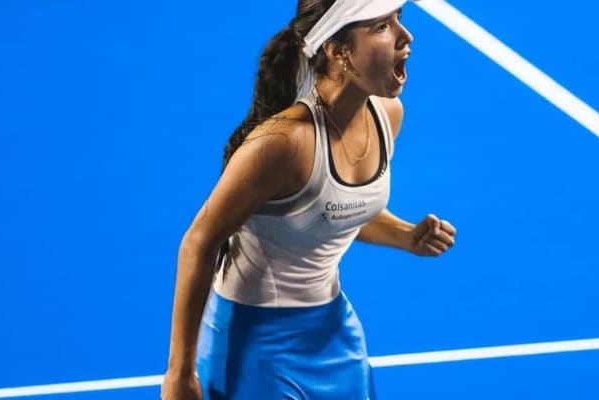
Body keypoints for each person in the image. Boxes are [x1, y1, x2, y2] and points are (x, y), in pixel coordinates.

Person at [161, 0, 456, 399]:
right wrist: (179, 373)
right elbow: (200, 241)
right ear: (338, 51)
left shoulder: (388, 115)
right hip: (254, 342)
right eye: (381, 27)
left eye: (398, 19)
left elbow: (328, 212)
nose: (406, 37)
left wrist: (406, 235)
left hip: (333, 330)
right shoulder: (282, 144)